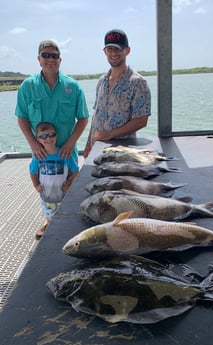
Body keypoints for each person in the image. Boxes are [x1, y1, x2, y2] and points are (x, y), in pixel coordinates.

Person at [15, 39, 89, 161]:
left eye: (54, 56)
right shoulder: (27, 86)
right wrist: (33, 144)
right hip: (40, 155)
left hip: (67, 154)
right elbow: (22, 118)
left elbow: (83, 118)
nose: (50, 59)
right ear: (39, 59)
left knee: (71, 180)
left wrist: (70, 143)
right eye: (45, 55)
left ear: (60, 60)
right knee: (38, 181)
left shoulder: (73, 86)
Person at [83, 29, 151, 158]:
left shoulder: (139, 83)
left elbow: (141, 120)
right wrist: (88, 145)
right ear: (105, 52)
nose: (113, 53)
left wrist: (109, 135)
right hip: (96, 148)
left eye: (118, 49)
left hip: (121, 153)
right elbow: (96, 116)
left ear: (127, 50)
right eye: (110, 49)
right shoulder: (101, 81)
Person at [30, 122, 79, 238]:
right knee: (50, 215)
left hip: (63, 193)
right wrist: (36, 185)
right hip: (47, 195)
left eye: (51, 135)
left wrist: (70, 184)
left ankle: (63, 228)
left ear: (56, 136)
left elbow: (76, 171)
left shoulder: (64, 154)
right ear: (38, 140)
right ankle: (49, 225)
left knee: (65, 214)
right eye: (43, 136)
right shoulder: (38, 156)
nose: (48, 138)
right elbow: (32, 172)